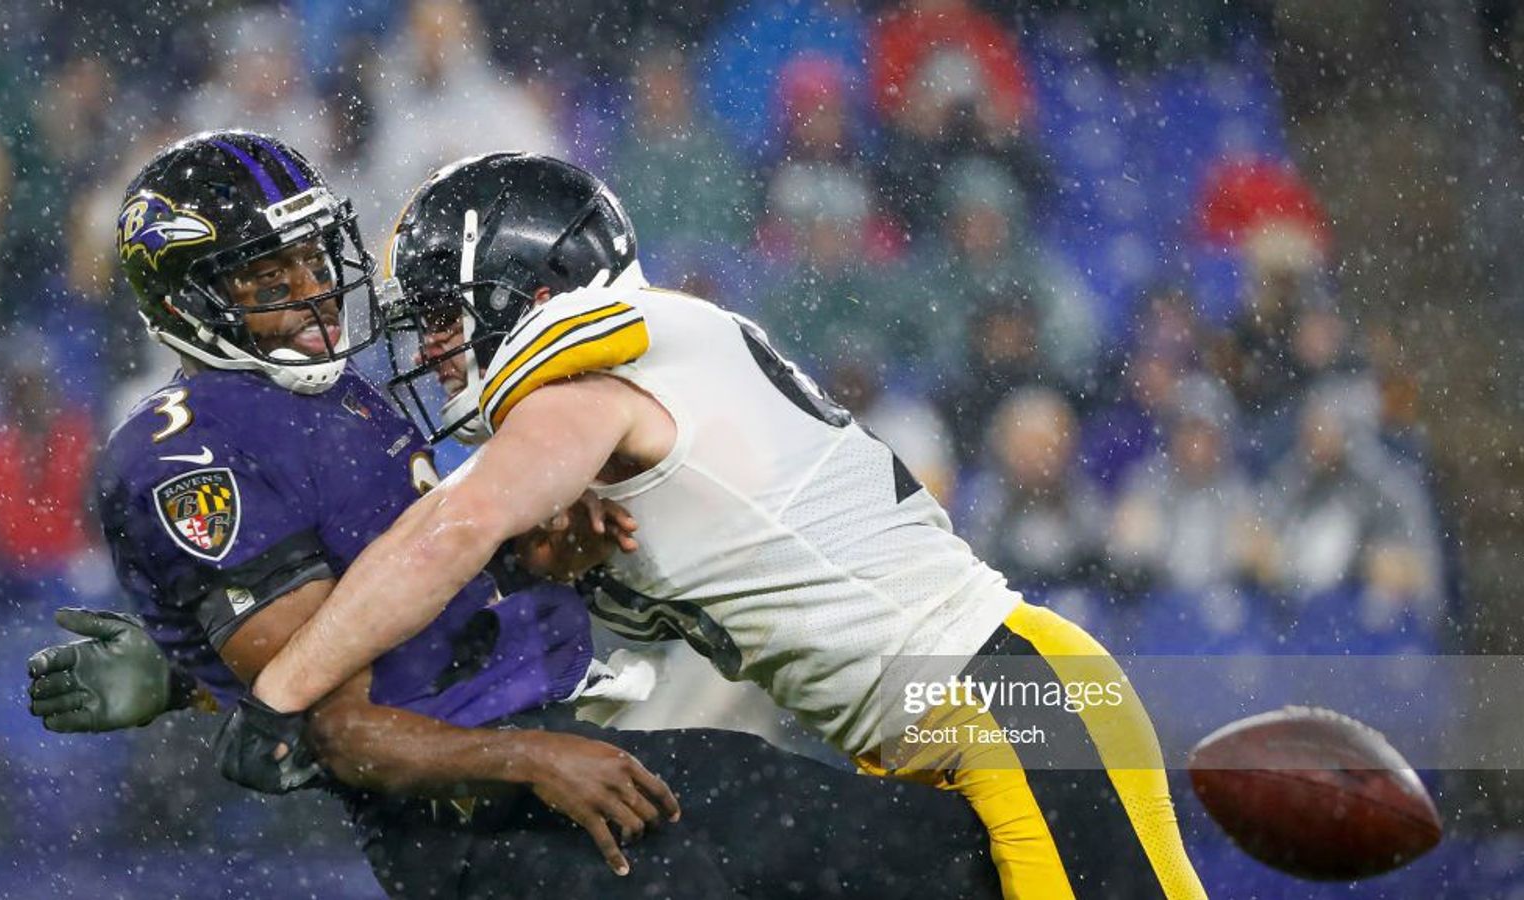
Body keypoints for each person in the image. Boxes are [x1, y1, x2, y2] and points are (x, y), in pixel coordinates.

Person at [39, 129, 998, 899]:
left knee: (933, 850)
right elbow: (329, 720)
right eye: (267, 279)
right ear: (186, 298)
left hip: (597, 750)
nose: (311, 294)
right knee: (962, 853)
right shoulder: (187, 453)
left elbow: (391, 603)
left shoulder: (340, 399)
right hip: (493, 822)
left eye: (309, 257)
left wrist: (525, 566)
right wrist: (531, 756)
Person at [229, 152, 1208, 899]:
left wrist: (284, 689)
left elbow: (453, 529)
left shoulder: (594, 364)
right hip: (942, 723)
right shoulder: (614, 422)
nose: (429, 347)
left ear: (525, 290)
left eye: (444, 312)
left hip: (1005, 699)